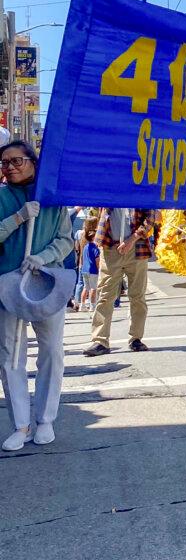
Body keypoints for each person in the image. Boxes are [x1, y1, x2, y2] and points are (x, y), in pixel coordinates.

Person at [0, 141, 74, 450]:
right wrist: (17, 218)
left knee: (51, 351)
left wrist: (43, 257)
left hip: (47, 282)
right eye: (5, 163)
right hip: (8, 285)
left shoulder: (53, 199)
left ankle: (45, 418)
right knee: (9, 356)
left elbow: (67, 240)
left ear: (33, 161)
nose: (11, 167)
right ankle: (21, 424)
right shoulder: (1, 197)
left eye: (17, 160)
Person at [84, 207, 155, 357]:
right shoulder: (110, 188)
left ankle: (136, 338)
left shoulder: (141, 189)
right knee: (105, 295)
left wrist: (132, 239)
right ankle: (100, 340)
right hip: (110, 247)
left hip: (137, 247)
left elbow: (150, 219)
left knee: (137, 296)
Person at [78, 219, 101, 312]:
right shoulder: (95, 248)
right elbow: (97, 260)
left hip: (84, 270)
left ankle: (82, 305)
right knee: (93, 288)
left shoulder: (86, 247)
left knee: (85, 287)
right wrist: (99, 269)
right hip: (93, 271)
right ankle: (92, 305)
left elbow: (83, 258)